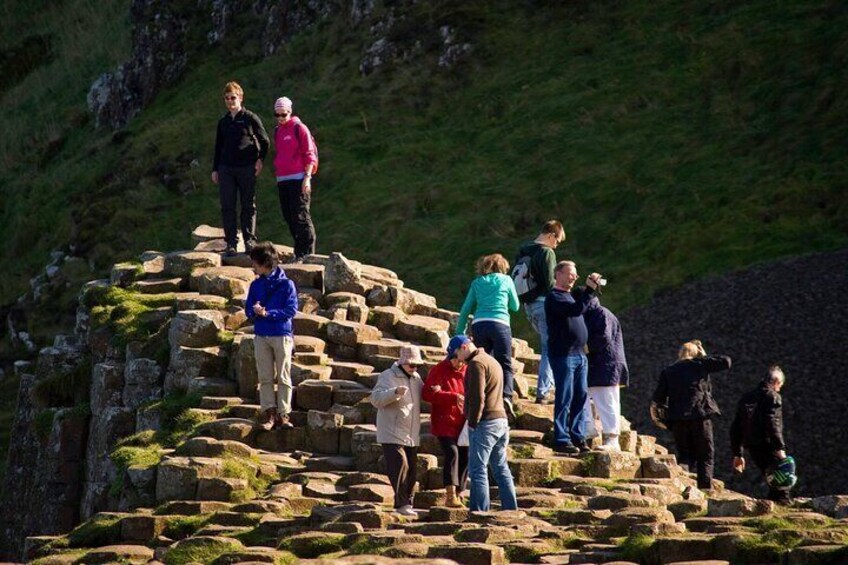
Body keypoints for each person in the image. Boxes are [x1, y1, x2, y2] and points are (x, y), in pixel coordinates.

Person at [651, 340, 732, 491]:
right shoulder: (700, 365)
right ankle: (705, 489)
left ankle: (683, 487)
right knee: (705, 454)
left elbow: (658, 399)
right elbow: (726, 361)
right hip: (699, 416)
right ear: (696, 354)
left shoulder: (669, 371)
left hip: (677, 419)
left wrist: (660, 419)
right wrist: (704, 357)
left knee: (685, 456)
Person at [454, 338, 518, 512]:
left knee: (478, 470)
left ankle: (479, 511)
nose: (458, 359)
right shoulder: (491, 360)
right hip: (501, 421)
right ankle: (511, 509)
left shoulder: (476, 364)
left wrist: (472, 422)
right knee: (500, 467)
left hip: (486, 422)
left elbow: (477, 397)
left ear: (464, 347)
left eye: (457, 353)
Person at [456, 254, 520, 421]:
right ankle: (506, 396)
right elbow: (515, 306)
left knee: (479, 363)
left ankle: (481, 397)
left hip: (479, 324)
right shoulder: (506, 280)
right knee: (504, 363)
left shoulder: (477, 282)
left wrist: (459, 334)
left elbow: (465, 309)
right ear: (503, 267)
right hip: (500, 324)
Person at [545, 261, 600, 454]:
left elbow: (580, 304)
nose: (574, 277)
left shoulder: (569, 296)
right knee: (565, 396)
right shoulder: (553, 297)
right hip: (563, 355)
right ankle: (561, 438)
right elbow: (576, 310)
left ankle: (578, 437)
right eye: (570, 274)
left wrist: (590, 286)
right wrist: (589, 291)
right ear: (558, 274)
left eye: (575, 274)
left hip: (579, 354)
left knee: (580, 396)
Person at [211, 81, 270, 256]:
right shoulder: (223, 122)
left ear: (240, 98)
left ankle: (250, 241)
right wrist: (215, 169)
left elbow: (265, 140)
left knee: (248, 205)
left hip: (246, 167)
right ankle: (231, 243)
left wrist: (260, 160)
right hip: (226, 168)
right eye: (227, 98)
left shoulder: (250, 118)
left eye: (233, 97)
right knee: (227, 205)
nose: (230, 101)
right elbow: (218, 147)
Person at [244, 242, 299, 430]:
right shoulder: (255, 285)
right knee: (265, 377)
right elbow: (248, 309)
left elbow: (291, 310)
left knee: (283, 376)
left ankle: (284, 415)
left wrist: (268, 314)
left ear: (265, 263)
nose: (253, 267)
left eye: (255, 263)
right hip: (261, 335)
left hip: (281, 334)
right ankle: (270, 413)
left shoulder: (287, 285)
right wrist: (254, 312)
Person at [370, 345, 424, 516]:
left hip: (412, 433)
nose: (414, 368)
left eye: (416, 365)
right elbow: (376, 399)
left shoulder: (416, 378)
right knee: (400, 466)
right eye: (411, 364)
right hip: (391, 432)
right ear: (402, 363)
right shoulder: (387, 375)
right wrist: (394, 393)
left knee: (412, 470)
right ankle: (402, 504)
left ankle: (407, 502)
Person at [515, 220, 566, 405]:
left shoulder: (524, 250)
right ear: (551, 235)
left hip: (529, 306)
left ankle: (546, 388)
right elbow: (549, 284)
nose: (556, 245)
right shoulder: (546, 252)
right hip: (544, 305)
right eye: (557, 241)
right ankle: (544, 391)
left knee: (548, 346)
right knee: (549, 348)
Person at [730, 365, 794, 503]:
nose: (779, 389)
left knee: (772, 479)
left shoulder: (746, 397)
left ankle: (774, 507)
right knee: (783, 478)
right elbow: (773, 423)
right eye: (780, 385)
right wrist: (779, 448)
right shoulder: (772, 397)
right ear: (776, 381)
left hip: (753, 446)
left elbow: (736, 427)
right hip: (768, 443)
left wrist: (738, 453)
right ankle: (783, 509)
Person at [422, 335, 470, 507]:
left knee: (465, 455)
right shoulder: (439, 370)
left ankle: (460, 493)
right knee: (452, 453)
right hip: (444, 423)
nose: (460, 364)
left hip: (463, 423)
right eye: (457, 360)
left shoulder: (468, 370)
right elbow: (427, 394)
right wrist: (451, 397)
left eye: (462, 361)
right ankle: (450, 495)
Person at [271, 96, 319, 263]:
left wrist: (307, 178)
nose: (280, 118)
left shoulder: (300, 128)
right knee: (289, 216)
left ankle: (307, 254)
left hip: (299, 178)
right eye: (277, 115)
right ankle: (299, 252)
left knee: (301, 216)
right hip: (282, 179)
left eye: (283, 115)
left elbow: (310, 154)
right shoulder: (277, 131)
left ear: (290, 112)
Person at [581, 290, 629, 451]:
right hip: (598, 363)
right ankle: (588, 429)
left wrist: (584, 348)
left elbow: (604, 337)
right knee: (586, 396)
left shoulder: (601, 313)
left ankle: (612, 439)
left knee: (607, 401)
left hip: (607, 364)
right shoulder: (592, 314)